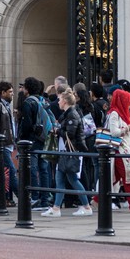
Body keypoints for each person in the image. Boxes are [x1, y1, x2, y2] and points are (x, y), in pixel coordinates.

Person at [43, 88, 93, 218]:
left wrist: (57, 131)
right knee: (64, 179)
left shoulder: (72, 114)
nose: (58, 101)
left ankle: (85, 206)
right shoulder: (70, 113)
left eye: (59, 99)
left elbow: (70, 134)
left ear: (64, 101)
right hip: (67, 151)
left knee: (72, 179)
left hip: (70, 151)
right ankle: (57, 207)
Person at [105, 89, 130, 213]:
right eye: (128, 101)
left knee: (115, 178)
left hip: (124, 150)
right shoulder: (114, 114)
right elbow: (114, 132)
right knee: (128, 177)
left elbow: (127, 132)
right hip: (119, 151)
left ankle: (96, 199)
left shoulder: (123, 113)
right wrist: (129, 127)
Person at [19, 76, 52, 210]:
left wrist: (22, 137)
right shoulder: (43, 100)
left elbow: (27, 124)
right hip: (44, 139)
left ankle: (35, 198)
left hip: (32, 140)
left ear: (27, 88)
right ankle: (45, 199)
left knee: (32, 169)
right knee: (44, 170)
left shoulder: (28, 102)